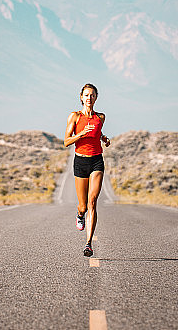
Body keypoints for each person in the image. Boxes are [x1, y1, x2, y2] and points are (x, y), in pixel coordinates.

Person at [64, 83, 110, 257]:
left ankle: (88, 244)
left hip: (97, 161)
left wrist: (104, 138)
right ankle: (80, 214)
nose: (89, 98)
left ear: (96, 97)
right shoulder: (75, 117)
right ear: (81, 97)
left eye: (92, 95)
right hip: (80, 162)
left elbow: (97, 131)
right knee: (83, 206)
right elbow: (66, 141)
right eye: (86, 95)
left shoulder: (101, 117)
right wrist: (81, 134)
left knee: (92, 202)